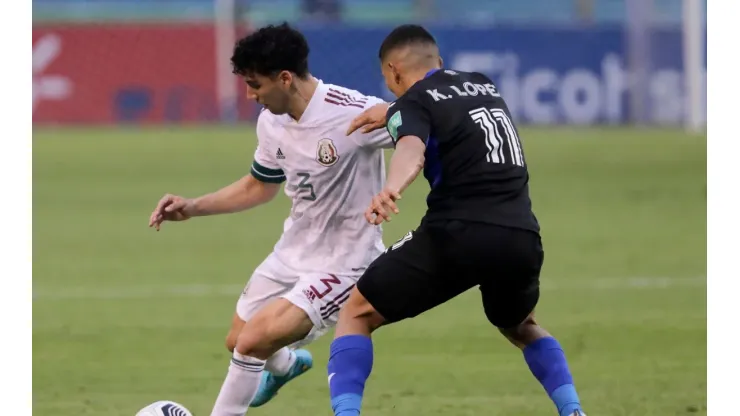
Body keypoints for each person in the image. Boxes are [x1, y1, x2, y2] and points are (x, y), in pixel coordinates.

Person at [326, 24, 587, 416]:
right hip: (521, 236)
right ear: (439, 62)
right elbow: (449, 113)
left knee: (357, 311)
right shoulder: (483, 85)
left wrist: (390, 188)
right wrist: (394, 111)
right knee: (522, 325)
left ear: (394, 71)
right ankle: (573, 410)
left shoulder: (412, 101)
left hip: (459, 233)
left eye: (389, 80)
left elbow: (411, 150)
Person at [147, 23, 394, 416]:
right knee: (238, 339)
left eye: (255, 84)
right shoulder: (272, 121)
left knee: (252, 344)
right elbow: (258, 186)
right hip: (294, 249)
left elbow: (417, 131)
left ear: (284, 78)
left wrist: (399, 184)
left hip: (345, 262)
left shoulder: (353, 113)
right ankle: (287, 365)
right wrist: (192, 207)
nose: (249, 94)